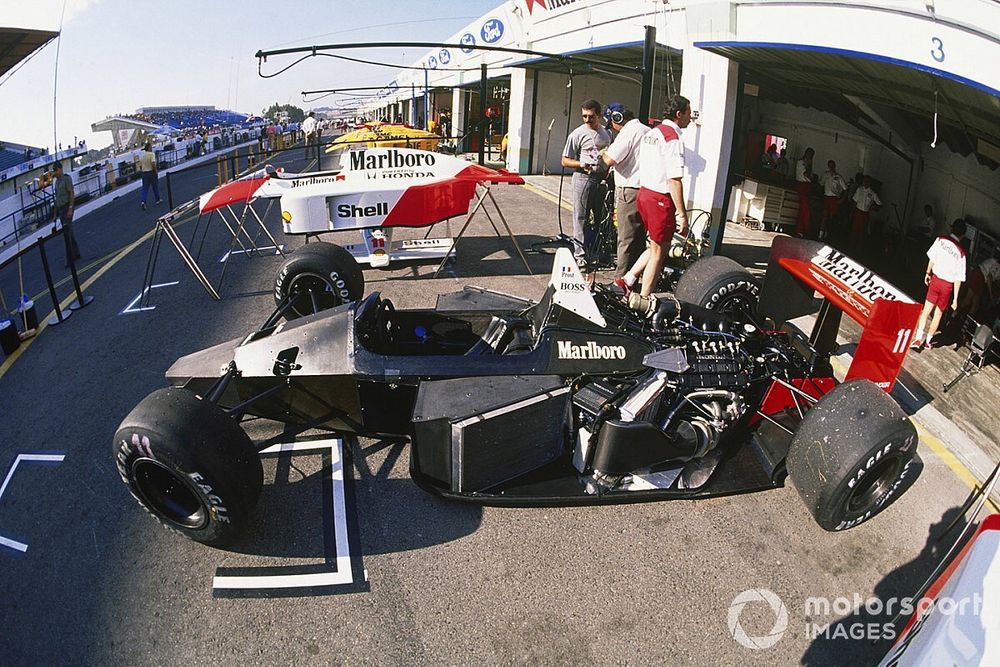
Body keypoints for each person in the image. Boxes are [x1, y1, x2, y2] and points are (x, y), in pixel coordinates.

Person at [634, 94, 692, 300]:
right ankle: (643, 298)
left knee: (657, 246)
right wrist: (682, 215)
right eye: (689, 113)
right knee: (659, 253)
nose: (691, 117)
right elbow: (674, 180)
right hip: (659, 198)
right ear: (679, 114)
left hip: (644, 193)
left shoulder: (653, 132)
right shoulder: (673, 138)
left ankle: (628, 279)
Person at [601, 103, 647, 288]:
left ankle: (620, 283)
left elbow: (609, 160)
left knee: (626, 239)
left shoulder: (628, 132)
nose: (613, 128)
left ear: (617, 118)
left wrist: (603, 153)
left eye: (612, 123)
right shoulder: (646, 130)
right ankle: (633, 280)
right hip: (645, 190)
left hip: (629, 190)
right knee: (639, 239)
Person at [561, 99, 611, 267]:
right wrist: (581, 164)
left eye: (591, 116)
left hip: (601, 179)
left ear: (599, 115)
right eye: (584, 116)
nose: (587, 120)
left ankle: (602, 252)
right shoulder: (577, 134)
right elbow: (564, 160)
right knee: (580, 218)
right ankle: (580, 255)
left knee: (602, 218)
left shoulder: (607, 134)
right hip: (583, 178)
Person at [911, 218, 967, 351]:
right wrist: (955, 299)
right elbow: (958, 279)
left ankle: (918, 338)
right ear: (963, 235)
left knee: (926, 311)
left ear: (952, 228)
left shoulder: (940, 240)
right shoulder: (961, 253)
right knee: (938, 315)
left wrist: (927, 272)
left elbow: (932, 258)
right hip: (947, 286)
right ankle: (928, 341)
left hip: (935, 281)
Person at [51, 161, 81, 266]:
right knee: (69, 232)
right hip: (61, 209)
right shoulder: (56, 182)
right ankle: (76, 253)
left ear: (60, 169)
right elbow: (57, 199)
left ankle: (70, 258)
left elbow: (71, 193)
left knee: (67, 233)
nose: (55, 172)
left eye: (56, 170)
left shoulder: (66, 179)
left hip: (67, 207)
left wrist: (70, 208)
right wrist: (55, 214)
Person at [849, 174, 882, 249]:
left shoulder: (873, 193)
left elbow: (879, 204)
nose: (865, 183)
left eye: (867, 181)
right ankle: (851, 246)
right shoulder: (859, 189)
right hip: (857, 212)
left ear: (870, 183)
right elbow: (855, 201)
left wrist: (873, 208)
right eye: (864, 181)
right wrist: (852, 212)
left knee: (862, 232)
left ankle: (859, 248)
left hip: (865, 214)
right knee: (854, 229)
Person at [819, 159, 846, 240]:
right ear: (828, 166)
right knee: (824, 216)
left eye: (832, 165)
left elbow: (845, 189)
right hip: (826, 197)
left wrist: (842, 199)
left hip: (834, 198)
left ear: (834, 166)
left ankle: (828, 233)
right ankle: (820, 234)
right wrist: (821, 195)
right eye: (829, 165)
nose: (831, 167)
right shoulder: (825, 174)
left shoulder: (838, 177)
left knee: (831, 217)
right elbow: (821, 184)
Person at [794, 147, 815, 236]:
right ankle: (806, 229)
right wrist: (809, 165)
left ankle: (800, 230)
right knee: (806, 209)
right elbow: (806, 174)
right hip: (802, 185)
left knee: (803, 209)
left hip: (807, 186)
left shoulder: (807, 163)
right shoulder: (801, 162)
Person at [138, 141, 161, 211]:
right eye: (151, 147)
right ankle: (157, 199)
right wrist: (156, 171)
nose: (152, 148)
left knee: (145, 189)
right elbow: (153, 163)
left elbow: (140, 166)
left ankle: (143, 201)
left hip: (144, 173)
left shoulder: (142, 157)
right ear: (148, 148)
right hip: (151, 172)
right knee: (155, 186)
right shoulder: (152, 154)